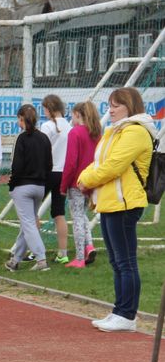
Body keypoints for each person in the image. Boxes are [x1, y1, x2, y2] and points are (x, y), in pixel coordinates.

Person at [78, 87, 155, 333]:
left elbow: (113, 166)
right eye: (110, 105)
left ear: (130, 107)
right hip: (110, 202)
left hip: (124, 204)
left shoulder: (135, 132)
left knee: (125, 261)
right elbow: (98, 162)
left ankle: (127, 314)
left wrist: (86, 180)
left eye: (116, 105)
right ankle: (120, 310)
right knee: (116, 261)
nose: (110, 110)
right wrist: (84, 177)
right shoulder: (116, 130)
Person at [5, 104, 52, 272]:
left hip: (23, 187)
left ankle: (41, 259)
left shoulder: (22, 138)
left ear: (21, 119)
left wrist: (12, 185)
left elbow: (16, 166)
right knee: (28, 224)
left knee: (28, 224)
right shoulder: (44, 138)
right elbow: (49, 164)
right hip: (39, 187)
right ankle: (15, 260)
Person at [60, 101, 102, 268]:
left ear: (77, 114)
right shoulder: (97, 133)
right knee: (82, 215)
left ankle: (79, 258)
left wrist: (63, 185)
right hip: (91, 181)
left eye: (72, 114)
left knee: (76, 218)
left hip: (77, 183)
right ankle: (89, 246)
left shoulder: (75, 132)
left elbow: (71, 162)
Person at [40, 94, 72, 264]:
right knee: (59, 213)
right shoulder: (69, 126)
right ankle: (63, 253)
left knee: (30, 211)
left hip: (48, 172)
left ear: (49, 109)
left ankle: (35, 250)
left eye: (44, 109)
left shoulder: (47, 126)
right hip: (63, 173)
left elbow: (41, 150)